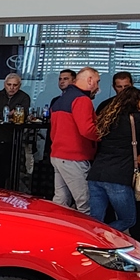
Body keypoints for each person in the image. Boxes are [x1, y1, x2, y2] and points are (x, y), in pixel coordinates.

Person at [87, 87, 140, 231]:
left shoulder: (108, 117)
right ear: (133, 102)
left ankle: (93, 238)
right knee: (128, 219)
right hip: (118, 176)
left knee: (95, 221)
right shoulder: (136, 119)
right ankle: (102, 237)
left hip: (96, 174)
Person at [49, 66, 100, 213]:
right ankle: (86, 228)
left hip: (58, 154)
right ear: (90, 80)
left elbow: (54, 131)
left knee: (60, 201)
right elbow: (87, 129)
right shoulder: (82, 99)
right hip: (74, 157)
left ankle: (55, 226)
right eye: (97, 81)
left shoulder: (60, 100)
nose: (98, 86)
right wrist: (103, 135)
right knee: (86, 204)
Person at [0, 73, 31, 188]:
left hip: (12, 139)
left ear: (19, 85)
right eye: (9, 84)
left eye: (15, 85)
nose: (11, 88)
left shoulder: (24, 97)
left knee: (7, 171)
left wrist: (0, 115)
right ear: (4, 84)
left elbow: (22, 115)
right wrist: (8, 114)